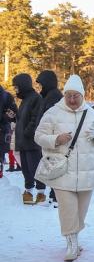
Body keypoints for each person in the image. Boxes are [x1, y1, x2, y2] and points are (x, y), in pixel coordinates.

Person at [34, 75, 94, 261]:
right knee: (67, 209)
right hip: (62, 170)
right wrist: (55, 139)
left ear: (83, 95)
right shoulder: (53, 113)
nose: (72, 100)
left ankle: (75, 235)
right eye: (69, 96)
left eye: (76, 96)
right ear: (64, 95)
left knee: (81, 211)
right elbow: (39, 136)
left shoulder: (91, 113)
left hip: (87, 171)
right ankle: (71, 242)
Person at [13, 73, 46, 205]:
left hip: (32, 142)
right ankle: (29, 191)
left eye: (17, 87)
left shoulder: (36, 98)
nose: (16, 90)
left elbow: (35, 118)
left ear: (23, 85)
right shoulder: (25, 100)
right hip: (23, 141)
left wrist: (27, 132)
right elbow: (23, 119)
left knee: (35, 168)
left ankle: (41, 193)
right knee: (26, 169)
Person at [36, 70, 63, 204]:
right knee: (51, 165)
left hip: (53, 138)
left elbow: (52, 119)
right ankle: (54, 194)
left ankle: (56, 195)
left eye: (41, 84)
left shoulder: (54, 96)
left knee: (55, 165)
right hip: (49, 137)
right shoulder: (48, 96)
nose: (40, 88)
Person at [0, 85, 18, 176]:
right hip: (4, 128)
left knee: (1, 152)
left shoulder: (7, 96)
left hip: (3, 128)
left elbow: (14, 113)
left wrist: (5, 117)